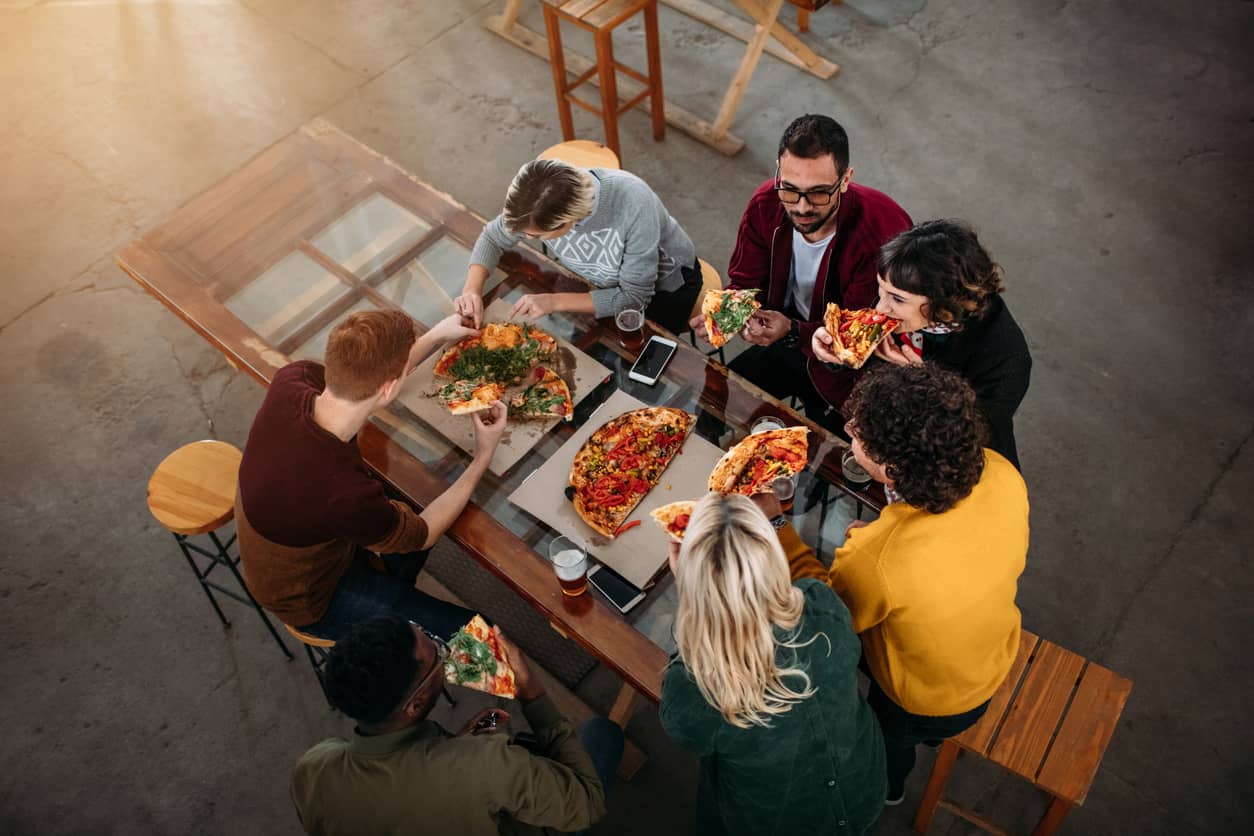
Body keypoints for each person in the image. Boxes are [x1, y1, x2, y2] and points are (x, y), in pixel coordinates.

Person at [786, 364, 1029, 804]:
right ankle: (930, 742)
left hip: (918, 699)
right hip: (994, 651)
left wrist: (777, 526)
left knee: (887, 742)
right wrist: (879, 542)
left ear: (892, 469)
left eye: (860, 438)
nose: (848, 429)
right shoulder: (1000, 471)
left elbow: (828, 624)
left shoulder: (879, 558)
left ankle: (889, 788)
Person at [235, 309, 506, 642]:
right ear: (390, 388)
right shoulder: (344, 494)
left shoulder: (294, 379)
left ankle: (393, 584)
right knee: (487, 638)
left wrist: (437, 335)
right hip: (310, 595)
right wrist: (483, 455)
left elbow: (365, 384)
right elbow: (424, 534)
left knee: (413, 497)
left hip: (304, 536)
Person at [659, 493, 886, 836]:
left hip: (774, 819)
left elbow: (688, 734)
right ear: (773, 558)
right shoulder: (822, 603)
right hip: (864, 785)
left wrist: (690, 589)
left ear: (696, 589)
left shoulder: (693, 688)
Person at [291, 615, 622, 836]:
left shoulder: (313, 770)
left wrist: (454, 746)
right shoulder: (489, 764)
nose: (444, 651)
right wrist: (532, 694)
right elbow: (586, 803)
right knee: (602, 734)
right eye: (436, 653)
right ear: (416, 704)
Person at [690, 113, 911, 428]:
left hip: (846, 371)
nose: (802, 207)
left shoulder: (882, 233)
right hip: (784, 341)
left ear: (846, 179)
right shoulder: (766, 203)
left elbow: (853, 338)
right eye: (790, 189)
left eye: (819, 192)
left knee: (829, 462)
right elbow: (745, 281)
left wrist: (792, 330)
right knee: (709, 412)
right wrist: (733, 310)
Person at [813, 219, 1032, 467]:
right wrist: (835, 347)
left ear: (944, 303)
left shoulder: (1006, 358)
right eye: (881, 289)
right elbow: (855, 361)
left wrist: (922, 383)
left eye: (896, 298)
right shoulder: (900, 295)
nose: (879, 307)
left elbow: (968, 438)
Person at [454, 158, 701, 335]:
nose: (526, 238)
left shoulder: (633, 203)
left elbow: (632, 298)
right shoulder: (539, 198)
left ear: (571, 220)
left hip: (665, 288)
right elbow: (492, 237)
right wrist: (471, 289)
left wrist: (554, 301)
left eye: (538, 236)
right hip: (596, 279)